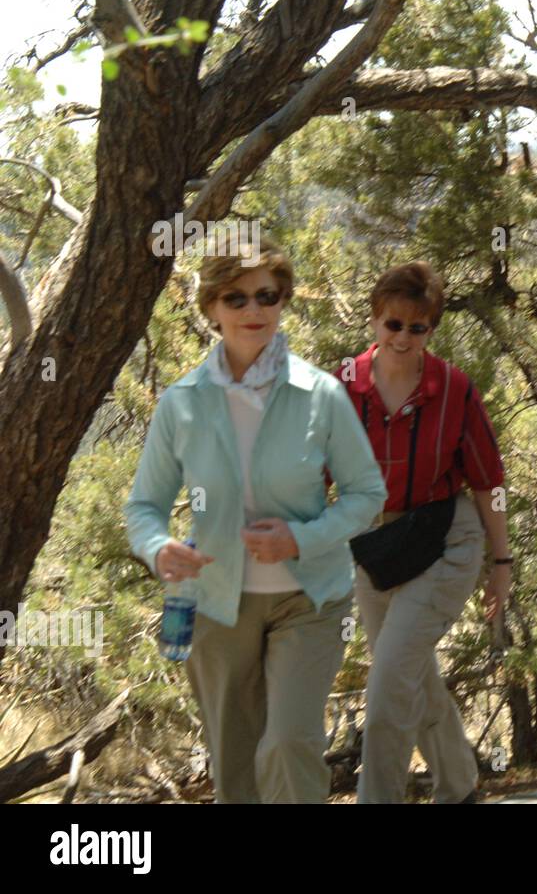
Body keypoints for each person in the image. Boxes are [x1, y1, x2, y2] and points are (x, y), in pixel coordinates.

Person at [126, 235, 387, 803]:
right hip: (216, 605)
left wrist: (301, 538)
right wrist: (157, 547)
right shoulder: (182, 402)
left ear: (282, 301)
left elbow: (368, 494)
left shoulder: (320, 394)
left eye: (267, 296)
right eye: (236, 298)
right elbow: (143, 507)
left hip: (310, 599)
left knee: (289, 744)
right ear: (212, 307)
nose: (254, 311)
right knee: (236, 770)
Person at [337, 262, 511, 805]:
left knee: (389, 682)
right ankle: (459, 786)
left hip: (445, 541)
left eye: (418, 328)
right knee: (413, 675)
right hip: (377, 545)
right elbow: (312, 470)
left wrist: (500, 564)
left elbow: (489, 482)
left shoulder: (454, 389)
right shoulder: (344, 388)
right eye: (394, 325)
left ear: (431, 329)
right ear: (374, 321)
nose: (404, 338)